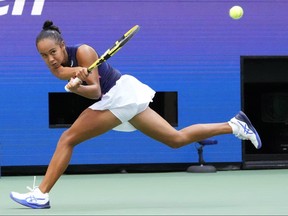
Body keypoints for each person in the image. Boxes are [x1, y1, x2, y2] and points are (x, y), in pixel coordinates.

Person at [10, 20, 262, 209]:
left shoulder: (85, 51)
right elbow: (83, 87)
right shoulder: (56, 69)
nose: (50, 59)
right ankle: (235, 125)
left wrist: (82, 84)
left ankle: (41, 194)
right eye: (43, 55)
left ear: (62, 45)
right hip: (120, 100)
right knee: (175, 139)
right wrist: (76, 84)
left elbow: (96, 90)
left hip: (119, 94)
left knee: (68, 138)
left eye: (53, 52)